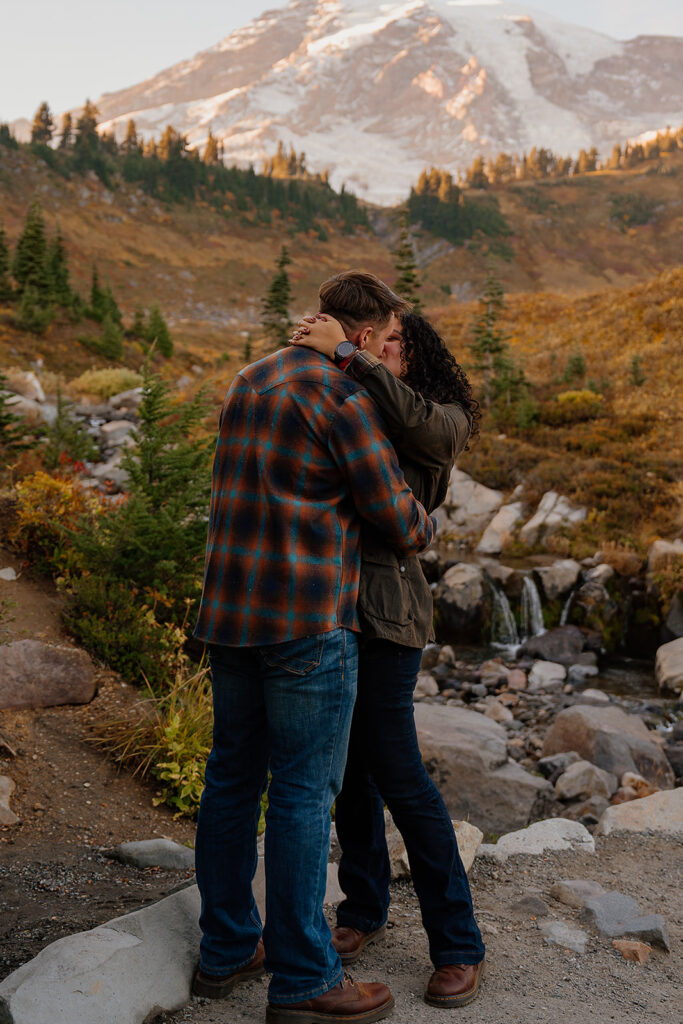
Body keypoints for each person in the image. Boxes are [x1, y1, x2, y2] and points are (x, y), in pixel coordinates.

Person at [192, 271, 436, 1024]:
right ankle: (304, 981)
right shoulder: (343, 397)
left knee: (231, 780)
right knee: (302, 793)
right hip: (307, 623)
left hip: (230, 615)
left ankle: (227, 948)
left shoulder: (249, 377)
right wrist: (425, 519)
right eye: (385, 337)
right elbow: (398, 521)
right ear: (361, 338)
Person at [291, 304, 486, 1009]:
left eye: (394, 341)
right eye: (376, 338)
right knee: (348, 773)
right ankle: (363, 909)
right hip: (329, 609)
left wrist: (349, 354)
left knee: (400, 774)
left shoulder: (442, 417)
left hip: (390, 612)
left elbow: (422, 433)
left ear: (419, 352)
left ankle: (458, 944)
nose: (380, 348)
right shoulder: (358, 399)